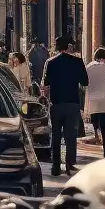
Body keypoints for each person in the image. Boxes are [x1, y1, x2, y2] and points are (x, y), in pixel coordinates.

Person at [43, 35, 89, 176]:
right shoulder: (77, 61)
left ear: (56, 48)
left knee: (56, 136)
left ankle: (56, 167)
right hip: (72, 103)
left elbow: (45, 85)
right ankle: (70, 165)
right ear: (69, 46)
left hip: (56, 104)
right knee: (70, 136)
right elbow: (85, 82)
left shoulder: (50, 62)